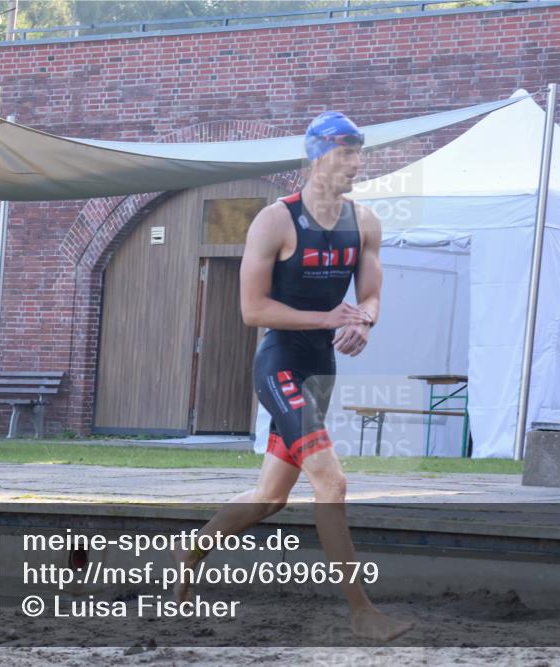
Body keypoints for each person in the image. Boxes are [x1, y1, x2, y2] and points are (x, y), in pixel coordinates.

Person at [174, 111, 413, 641]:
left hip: (319, 368)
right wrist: (329, 318)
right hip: (278, 362)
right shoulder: (275, 221)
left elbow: (370, 294)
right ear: (316, 155)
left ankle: (191, 552)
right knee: (331, 480)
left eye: (359, 152)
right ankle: (362, 612)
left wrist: (365, 321)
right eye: (347, 153)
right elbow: (252, 310)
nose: (357, 163)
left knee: (270, 498)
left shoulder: (365, 221)